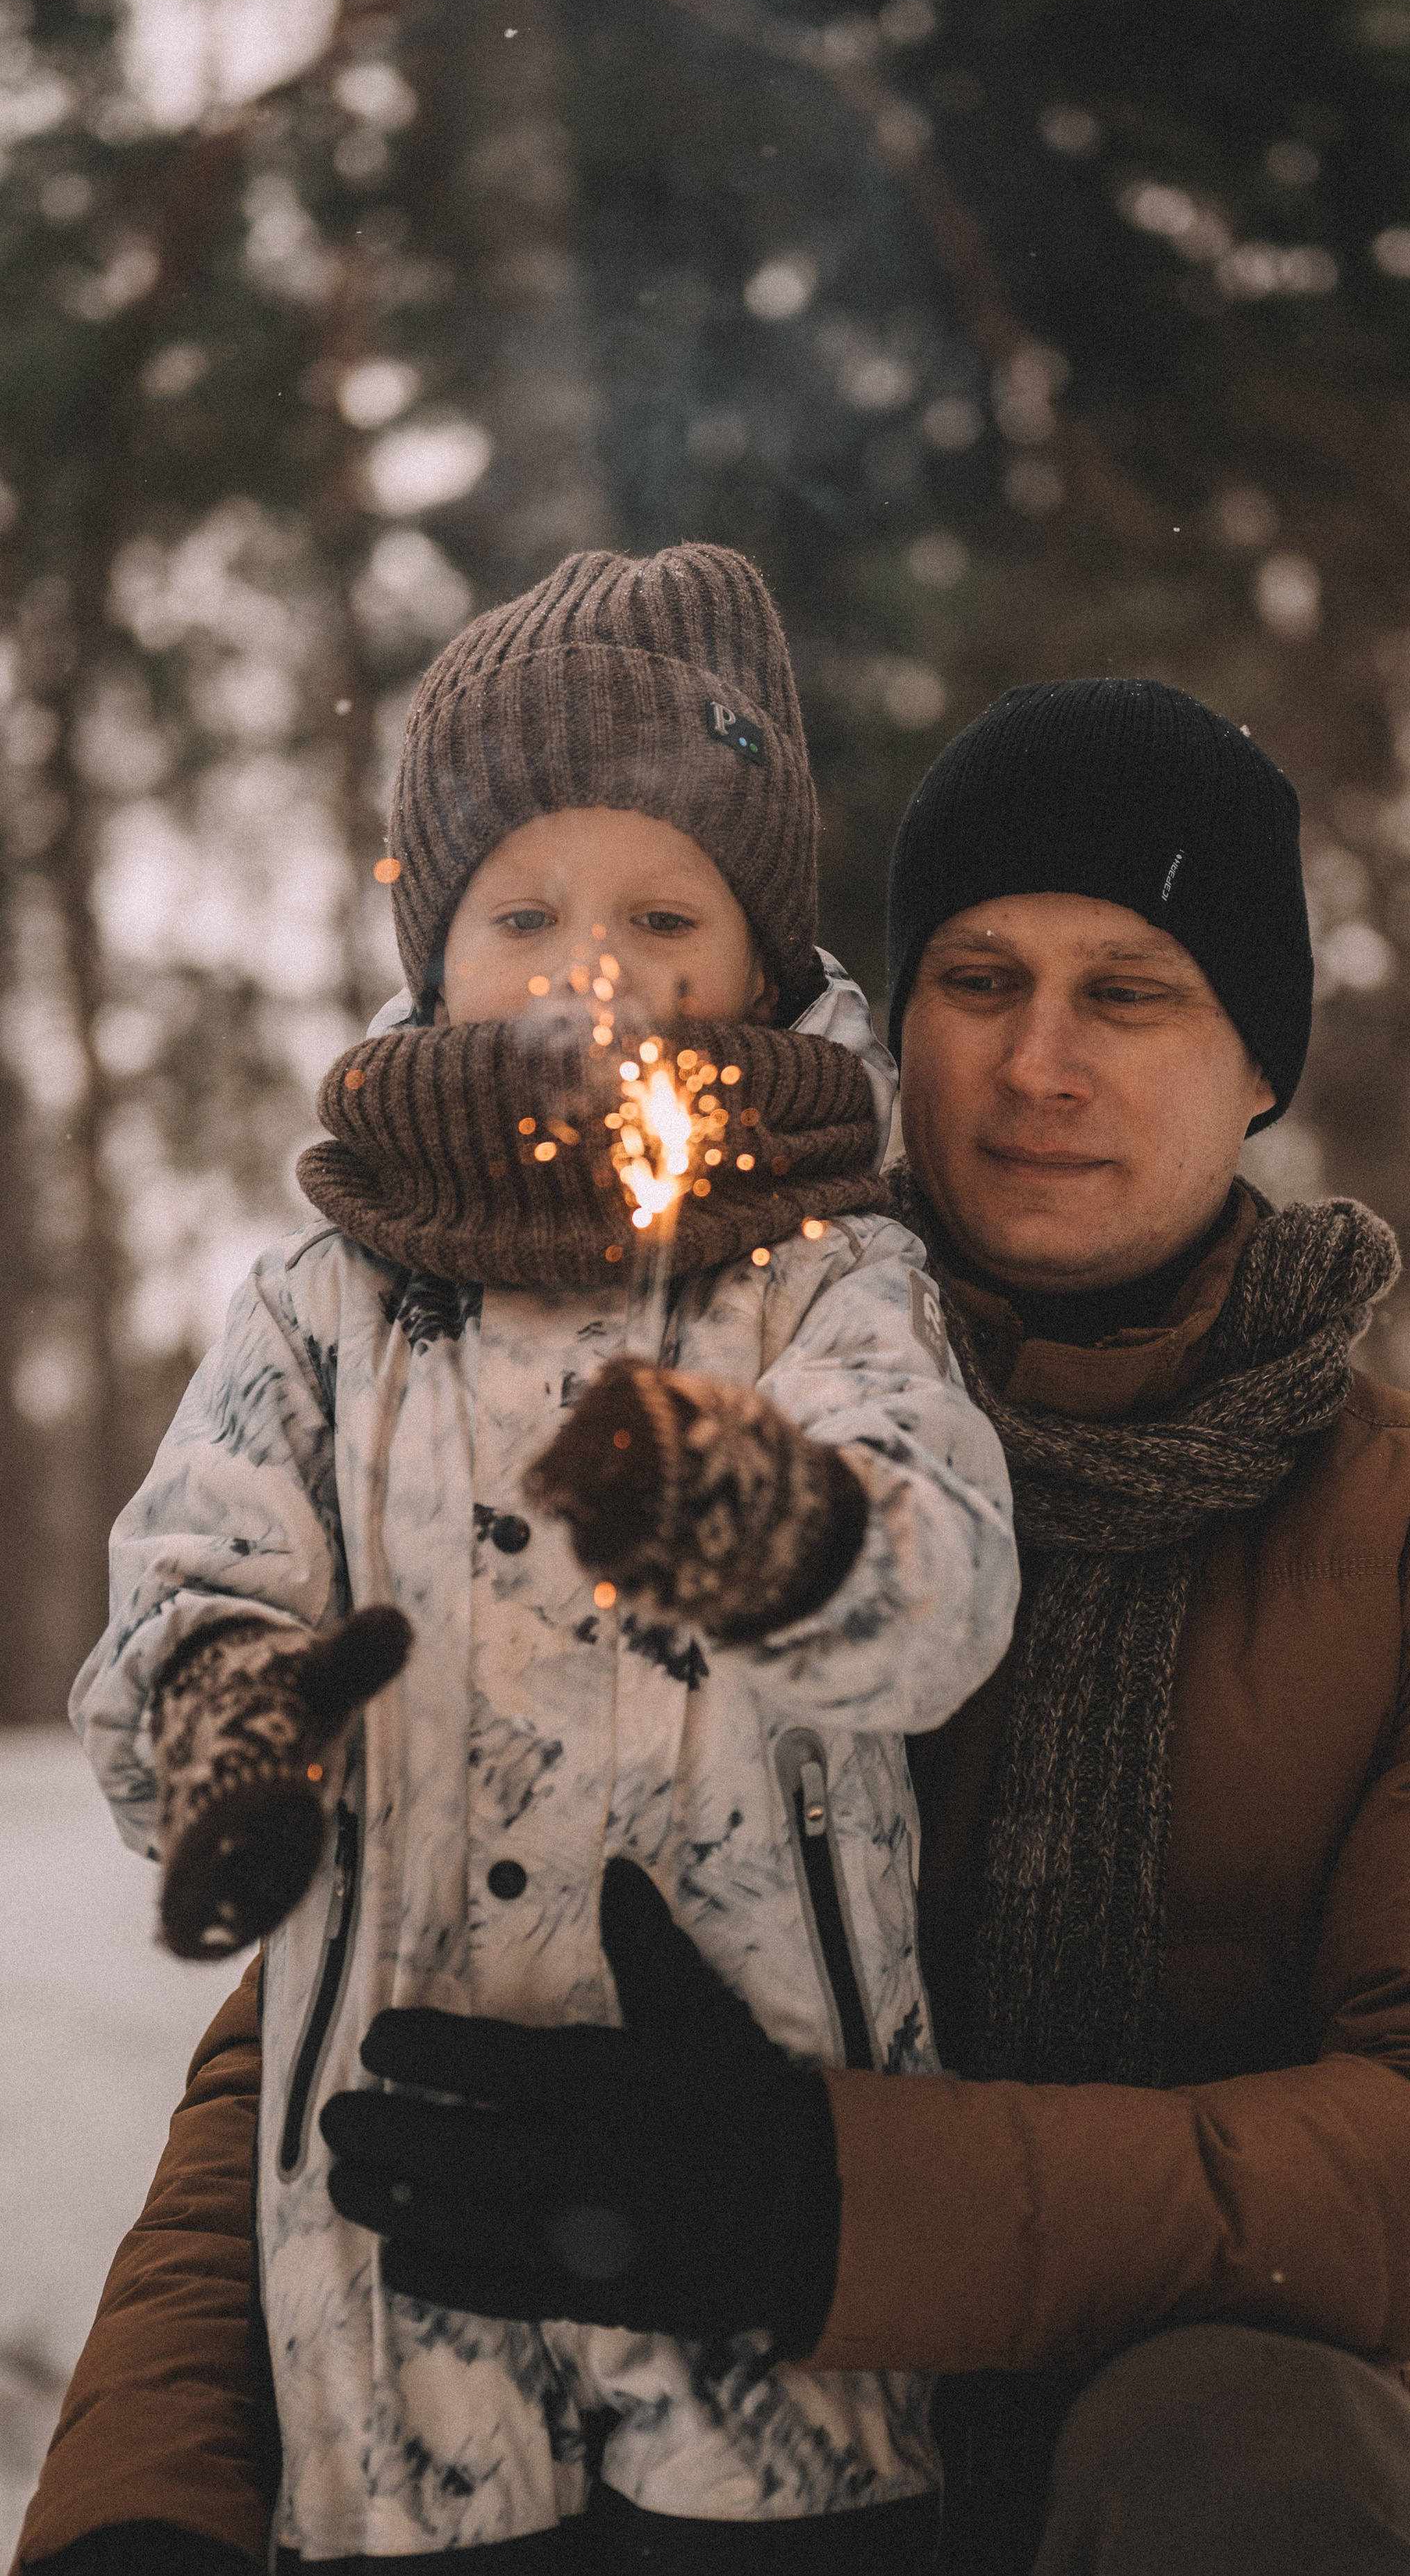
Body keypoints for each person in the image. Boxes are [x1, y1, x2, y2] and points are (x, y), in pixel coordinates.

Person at [19, 678, 1410, 2576]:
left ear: (1261, 1060)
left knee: (1267, 2447)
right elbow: (342, 2009)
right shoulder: (675, 1402)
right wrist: (139, 2506)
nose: (1041, 1060)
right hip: (607, 2444)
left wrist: (835, 2204)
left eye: (1130, 993)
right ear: (881, 1019)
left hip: (1120, 2461)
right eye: (980, 980)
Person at [40, 547, 1018, 2572]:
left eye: (669, 913)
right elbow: (194, 1572)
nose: (603, 963)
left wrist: (769, 1519)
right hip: (402, 2308)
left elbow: (941, 1584)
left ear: (759, 963)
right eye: (530, 911)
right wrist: (237, 1722)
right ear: (435, 952)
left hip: (767, 2306)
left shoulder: (828, 1274)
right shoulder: (329, 1298)